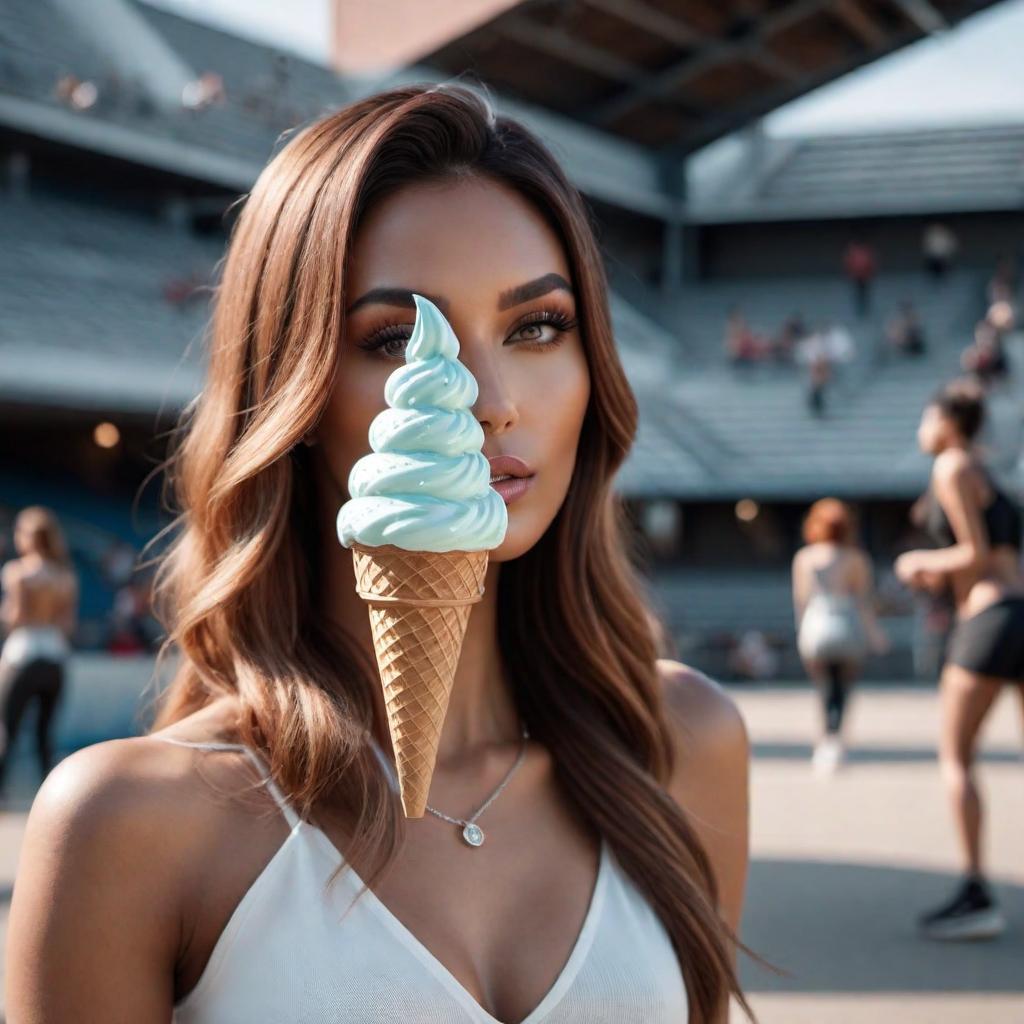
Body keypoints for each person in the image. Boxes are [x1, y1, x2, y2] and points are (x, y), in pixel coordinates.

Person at [8, 84, 753, 1022]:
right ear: (296, 397)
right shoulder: (130, 826)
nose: (487, 397)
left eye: (537, 326)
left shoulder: (685, 745)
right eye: (397, 338)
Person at [896, 379, 1024, 941]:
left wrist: (917, 561)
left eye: (926, 418)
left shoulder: (949, 466)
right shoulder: (987, 470)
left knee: (957, 758)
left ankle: (975, 894)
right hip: (1019, 608)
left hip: (989, 619)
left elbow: (972, 555)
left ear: (947, 423)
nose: (921, 430)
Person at [792, 499, 887, 774]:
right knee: (842, 688)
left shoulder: (805, 558)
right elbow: (863, 602)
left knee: (823, 687)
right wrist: (875, 635)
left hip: (816, 626)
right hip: (848, 626)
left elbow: (801, 600)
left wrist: (802, 633)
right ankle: (836, 739)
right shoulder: (855, 559)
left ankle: (824, 740)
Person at [0, 507, 77, 794]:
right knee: (45, 737)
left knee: (7, 730)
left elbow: (16, 617)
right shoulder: (65, 577)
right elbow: (68, 625)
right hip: (55, 656)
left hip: (23, 653)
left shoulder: (18, 573)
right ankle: (50, 800)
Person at [843, 239, 877, 317]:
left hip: (864, 276)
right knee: (859, 293)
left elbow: (871, 263)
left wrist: (871, 273)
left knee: (863, 293)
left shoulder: (860, 252)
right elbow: (848, 263)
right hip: (858, 276)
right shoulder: (855, 252)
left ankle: (864, 308)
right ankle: (860, 308)